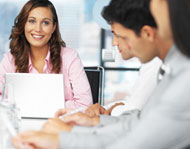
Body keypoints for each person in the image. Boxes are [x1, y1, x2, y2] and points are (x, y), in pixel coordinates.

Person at [13, 0, 190, 148]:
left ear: (147, 33)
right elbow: (138, 122)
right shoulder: (172, 69)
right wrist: (88, 125)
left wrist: (62, 140)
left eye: (121, 36)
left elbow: (131, 143)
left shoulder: (182, 82)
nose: (115, 43)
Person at [0, 0, 93, 109]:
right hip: (22, 125)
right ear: (23, 24)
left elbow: (85, 104)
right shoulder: (10, 59)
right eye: (32, 21)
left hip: (61, 124)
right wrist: (56, 105)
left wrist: (33, 106)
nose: (38, 29)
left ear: (53, 27)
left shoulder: (69, 57)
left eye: (45, 22)